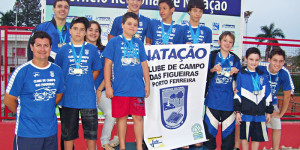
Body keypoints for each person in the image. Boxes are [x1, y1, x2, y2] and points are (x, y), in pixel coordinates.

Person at [4, 31, 64, 150]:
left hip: (50, 132)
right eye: (38, 45)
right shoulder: (21, 72)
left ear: (50, 48)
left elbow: (59, 95)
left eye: (46, 45)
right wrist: (27, 112)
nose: (42, 49)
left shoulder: (57, 71)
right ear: (31, 47)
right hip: (27, 133)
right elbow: (8, 100)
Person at [103, 12, 150, 150]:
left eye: (135, 25)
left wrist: (147, 83)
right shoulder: (114, 42)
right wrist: (108, 85)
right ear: (122, 25)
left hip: (137, 88)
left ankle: (139, 147)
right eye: (129, 24)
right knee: (121, 118)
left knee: (138, 118)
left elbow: (144, 64)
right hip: (120, 88)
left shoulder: (139, 43)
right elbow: (107, 64)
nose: (132, 27)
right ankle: (122, 147)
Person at [55, 17, 102, 150]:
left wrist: (85, 81)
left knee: (91, 134)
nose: (78, 32)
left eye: (82, 30)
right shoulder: (62, 50)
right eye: (75, 29)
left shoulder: (92, 50)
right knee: (68, 134)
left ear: (86, 32)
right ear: (70, 30)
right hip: (67, 99)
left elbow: (96, 70)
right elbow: (58, 72)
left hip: (87, 99)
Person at [203, 31, 241, 150]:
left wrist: (237, 73)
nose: (227, 44)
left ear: (233, 45)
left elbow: (239, 82)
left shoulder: (236, 59)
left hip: (228, 104)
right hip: (212, 102)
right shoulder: (212, 56)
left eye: (230, 42)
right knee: (209, 137)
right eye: (225, 40)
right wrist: (212, 70)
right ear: (219, 42)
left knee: (228, 139)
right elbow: (202, 74)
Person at [234, 47, 274, 150]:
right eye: (251, 59)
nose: (254, 62)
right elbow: (237, 94)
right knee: (244, 137)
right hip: (245, 113)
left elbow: (268, 94)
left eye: (256, 60)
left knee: (257, 138)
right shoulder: (241, 74)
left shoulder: (263, 75)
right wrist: (237, 111)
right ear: (246, 59)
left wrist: (268, 111)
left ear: (260, 60)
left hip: (260, 113)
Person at [85, 20, 116, 150]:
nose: (93, 33)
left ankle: (105, 141)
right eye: (90, 30)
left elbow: (107, 72)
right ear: (85, 32)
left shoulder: (105, 50)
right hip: (85, 92)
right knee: (89, 120)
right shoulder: (79, 50)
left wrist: (99, 89)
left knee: (111, 113)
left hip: (101, 90)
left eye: (96, 30)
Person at [259, 48, 294, 150]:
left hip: (271, 103)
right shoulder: (261, 67)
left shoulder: (284, 73)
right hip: (256, 102)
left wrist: (280, 114)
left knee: (277, 125)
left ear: (283, 62)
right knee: (247, 124)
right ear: (269, 60)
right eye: (275, 60)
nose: (277, 64)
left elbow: (287, 95)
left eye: (281, 61)